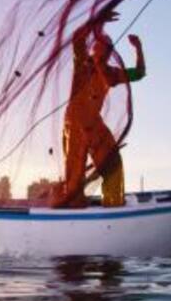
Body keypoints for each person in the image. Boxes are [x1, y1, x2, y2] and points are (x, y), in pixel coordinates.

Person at [54, 19, 145, 208]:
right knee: (74, 176)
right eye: (97, 46)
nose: (100, 50)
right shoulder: (83, 65)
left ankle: (113, 206)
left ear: (109, 52)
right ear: (93, 49)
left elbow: (139, 73)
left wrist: (138, 48)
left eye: (106, 48)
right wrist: (97, 19)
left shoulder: (110, 74)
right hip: (75, 125)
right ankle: (72, 210)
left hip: (94, 124)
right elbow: (78, 38)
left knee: (113, 165)